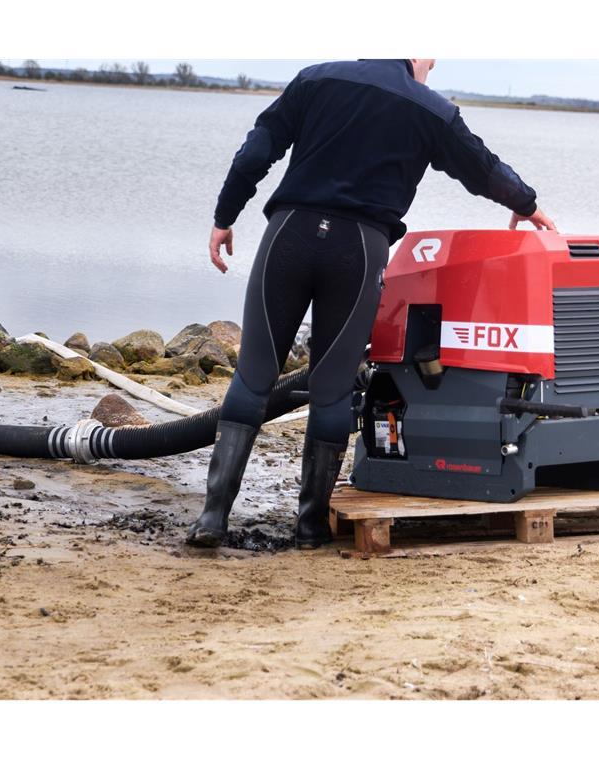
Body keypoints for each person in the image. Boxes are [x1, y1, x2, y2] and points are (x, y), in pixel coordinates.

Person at [186, 59, 557, 549]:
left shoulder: (318, 77)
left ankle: (212, 519)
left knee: (253, 377)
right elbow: (483, 169)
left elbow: (259, 147)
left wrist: (224, 214)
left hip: (289, 235)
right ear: (419, 55)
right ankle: (310, 526)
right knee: (332, 389)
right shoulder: (432, 110)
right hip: (359, 250)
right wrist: (527, 205)